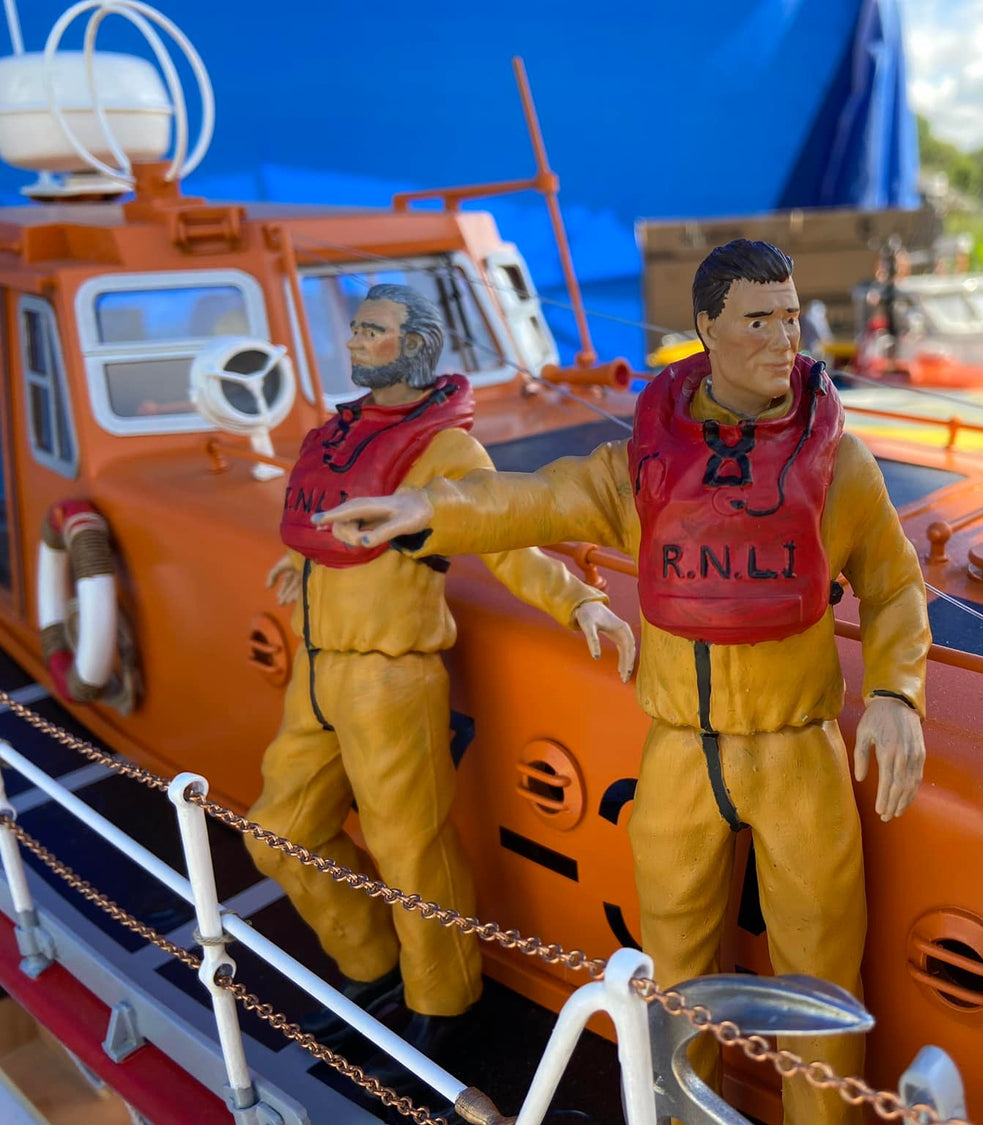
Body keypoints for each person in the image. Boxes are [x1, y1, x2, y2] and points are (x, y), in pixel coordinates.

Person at [314, 242, 931, 1125]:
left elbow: (897, 583)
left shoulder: (837, 463)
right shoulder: (648, 459)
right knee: (673, 962)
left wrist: (898, 691)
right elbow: (539, 498)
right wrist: (426, 508)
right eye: (758, 319)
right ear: (707, 329)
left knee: (822, 974)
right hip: (679, 748)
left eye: (791, 317)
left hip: (800, 751)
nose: (782, 340)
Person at [255, 283, 636, 1081]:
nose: (356, 340)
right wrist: (301, 558)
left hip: (390, 671)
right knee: (276, 828)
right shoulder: (340, 435)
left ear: (417, 344)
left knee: (411, 848)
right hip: (319, 665)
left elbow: (508, 539)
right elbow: (329, 516)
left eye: (374, 330)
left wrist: (580, 601)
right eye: (356, 327)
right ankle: (372, 963)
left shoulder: (444, 452)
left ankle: (442, 1000)